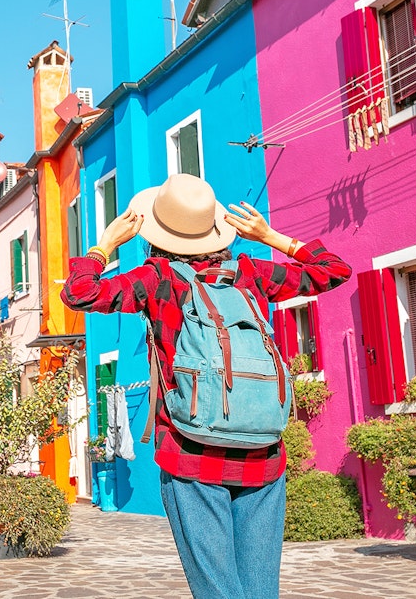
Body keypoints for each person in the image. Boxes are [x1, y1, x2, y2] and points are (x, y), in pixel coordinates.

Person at [61, 174, 351, 599]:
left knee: (218, 591)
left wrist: (105, 244)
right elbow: (334, 271)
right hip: (262, 454)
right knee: (259, 591)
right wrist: (271, 236)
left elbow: (79, 293)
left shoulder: (156, 278)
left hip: (191, 455)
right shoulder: (251, 272)